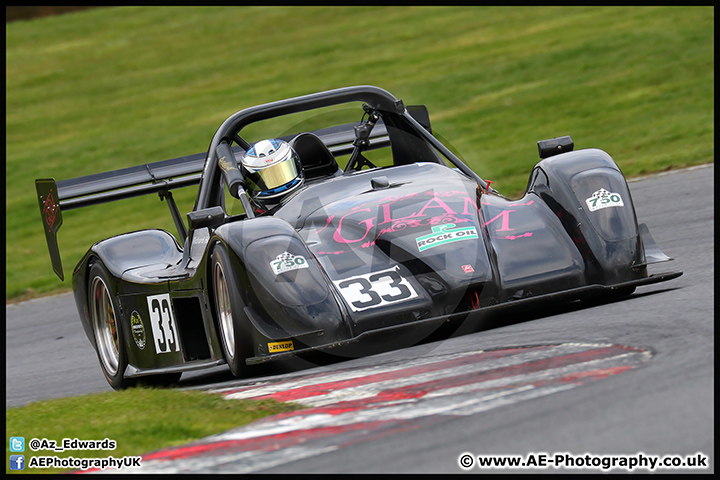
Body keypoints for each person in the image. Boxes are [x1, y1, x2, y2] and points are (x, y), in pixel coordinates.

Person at [239, 138, 304, 212]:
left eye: (282, 173)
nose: (278, 186)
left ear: (297, 166)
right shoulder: (255, 218)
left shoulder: (313, 198)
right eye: (267, 178)